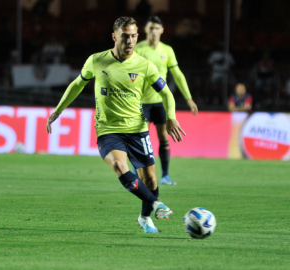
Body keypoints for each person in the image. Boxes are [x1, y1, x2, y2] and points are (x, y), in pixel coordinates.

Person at [46, 17, 186, 233]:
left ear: (137, 36)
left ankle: (144, 217)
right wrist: (57, 110)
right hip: (108, 131)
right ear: (114, 36)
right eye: (125, 36)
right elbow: (76, 85)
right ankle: (157, 204)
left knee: (150, 179)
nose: (130, 41)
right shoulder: (96, 60)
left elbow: (166, 92)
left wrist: (171, 116)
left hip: (137, 130)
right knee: (120, 167)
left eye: (133, 36)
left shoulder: (144, 65)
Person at [135, 16, 198, 185]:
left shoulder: (167, 50)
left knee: (164, 136)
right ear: (145, 30)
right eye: (151, 28)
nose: (154, 31)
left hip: (161, 101)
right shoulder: (138, 49)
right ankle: (137, 174)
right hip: (141, 102)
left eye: (157, 28)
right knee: (140, 138)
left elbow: (177, 74)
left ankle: (165, 175)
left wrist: (188, 98)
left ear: (162, 30)